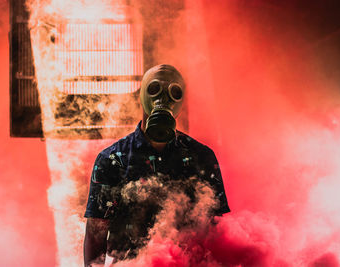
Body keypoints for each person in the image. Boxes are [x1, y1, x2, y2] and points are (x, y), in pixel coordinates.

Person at [83, 64, 230, 266]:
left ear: (182, 102)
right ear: (141, 96)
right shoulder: (112, 160)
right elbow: (96, 233)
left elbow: (217, 233)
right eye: (154, 89)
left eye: (174, 92)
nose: (163, 100)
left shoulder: (201, 157)